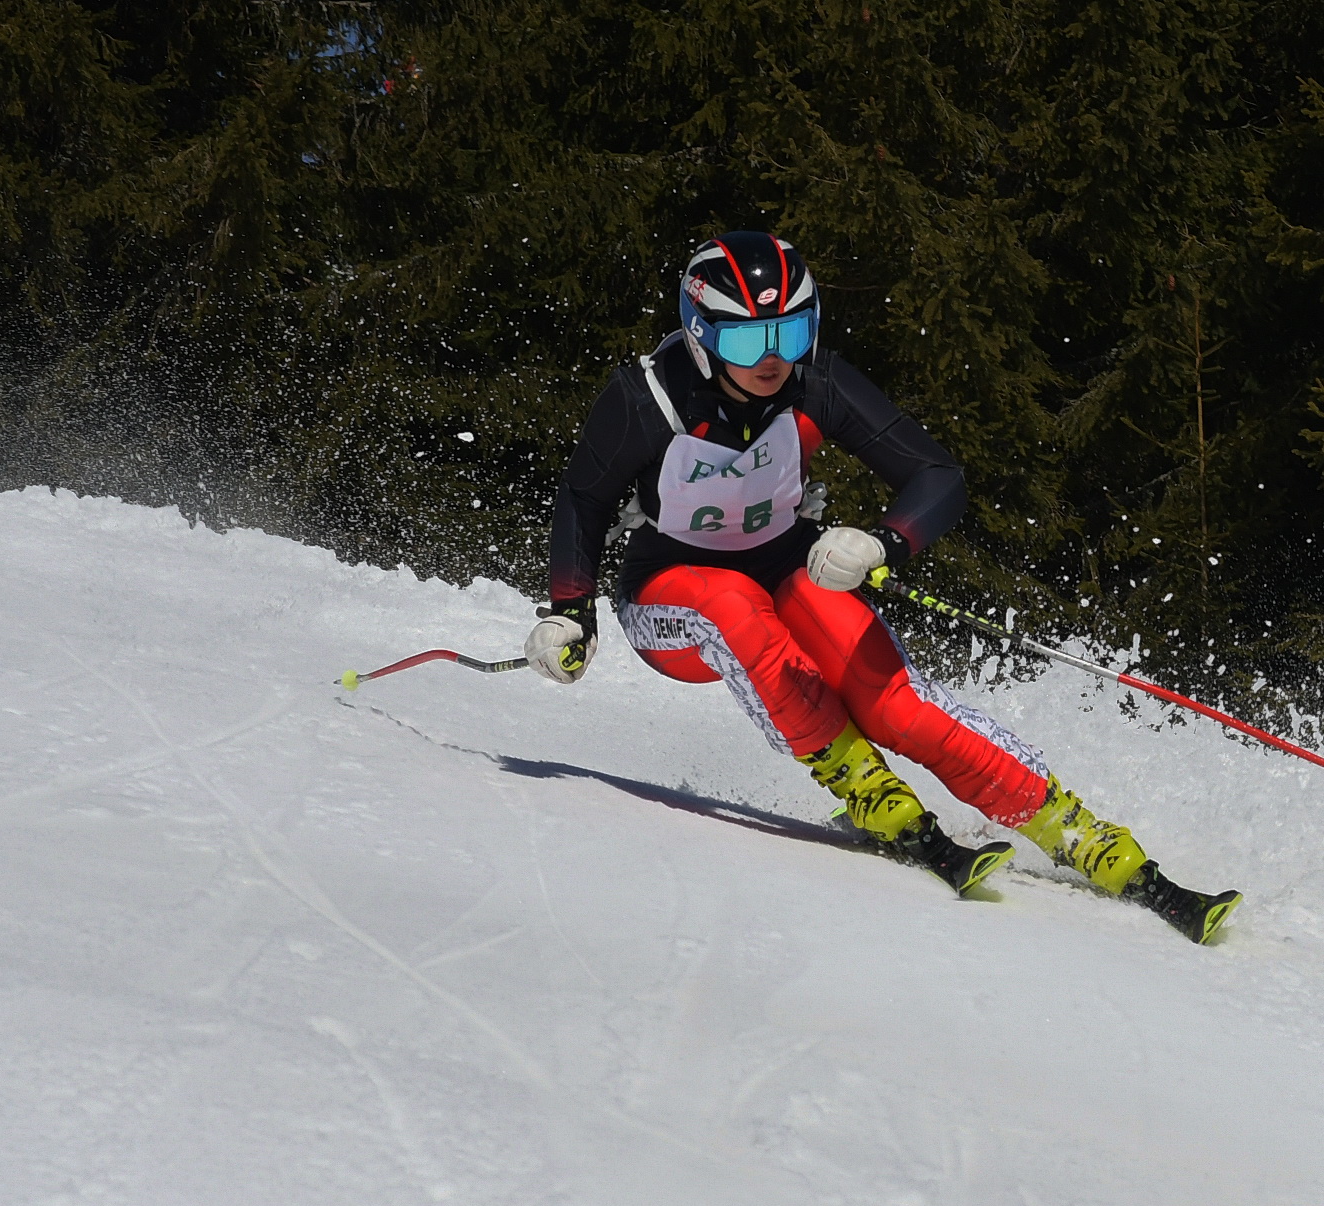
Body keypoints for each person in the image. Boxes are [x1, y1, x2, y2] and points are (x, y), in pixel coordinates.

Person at [527, 231, 1239, 942]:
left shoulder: (815, 382)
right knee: (731, 606)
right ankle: (868, 791)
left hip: (785, 566)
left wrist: (883, 540)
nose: (774, 358)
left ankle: (1072, 827)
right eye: (748, 344)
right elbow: (583, 500)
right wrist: (570, 613)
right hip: (668, 596)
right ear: (701, 334)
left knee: (895, 705)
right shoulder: (646, 398)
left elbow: (938, 476)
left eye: (792, 331)